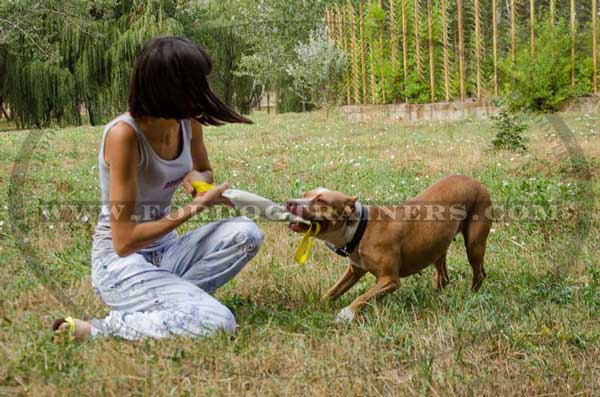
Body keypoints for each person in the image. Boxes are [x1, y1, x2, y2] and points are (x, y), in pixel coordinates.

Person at [53, 36, 264, 341]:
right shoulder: (124, 135)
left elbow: (202, 169)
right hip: (119, 263)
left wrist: (195, 180)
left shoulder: (188, 123)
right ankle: (103, 330)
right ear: (170, 87)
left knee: (247, 233)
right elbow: (124, 241)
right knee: (219, 322)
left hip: (167, 252)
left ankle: (171, 305)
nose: (205, 92)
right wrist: (193, 208)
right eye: (197, 83)